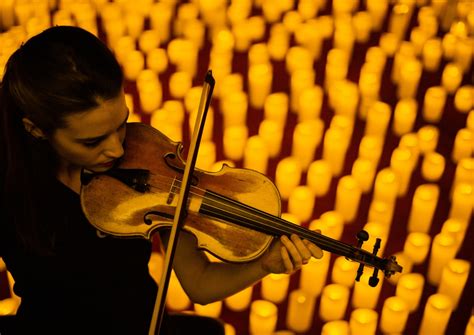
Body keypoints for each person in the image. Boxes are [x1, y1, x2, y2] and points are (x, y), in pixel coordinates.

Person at [0, 26, 323, 335]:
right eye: (92, 142)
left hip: (142, 323)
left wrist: (265, 264)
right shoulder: (9, 187)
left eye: (121, 124)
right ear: (36, 130)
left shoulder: (145, 156)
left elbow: (200, 282)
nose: (117, 148)